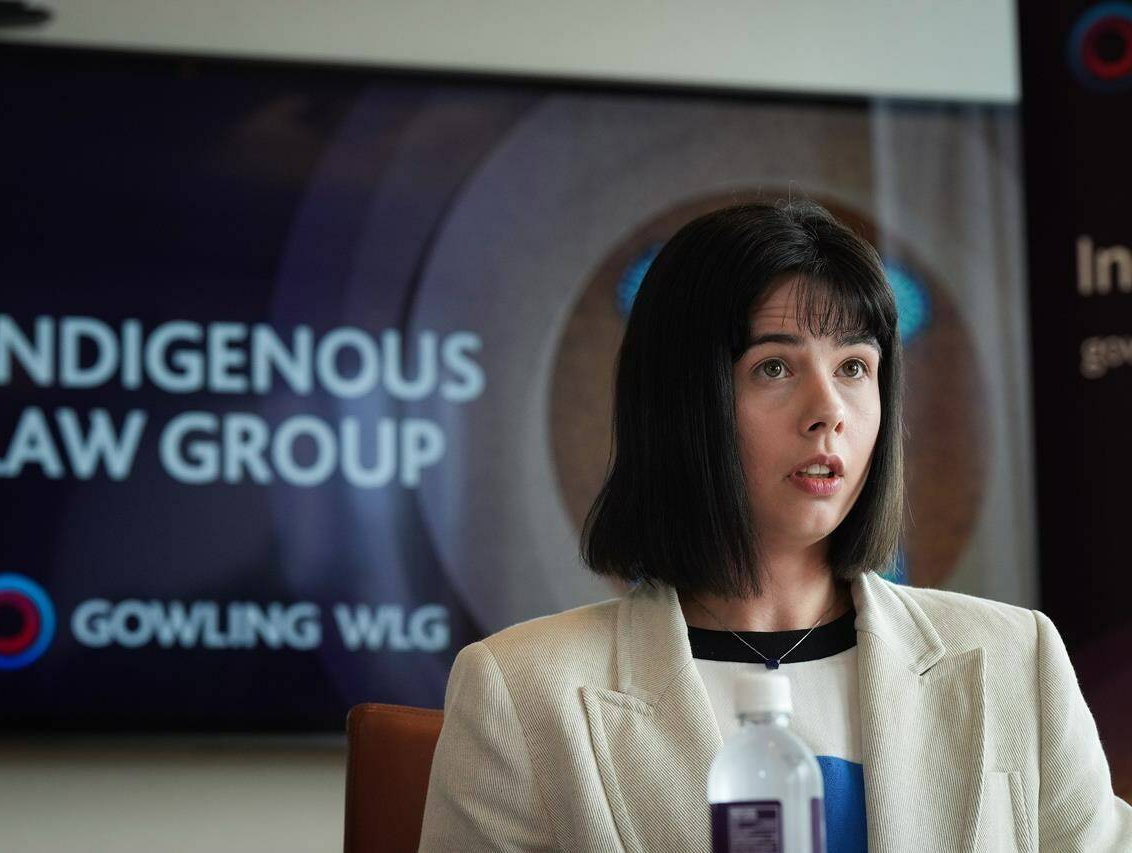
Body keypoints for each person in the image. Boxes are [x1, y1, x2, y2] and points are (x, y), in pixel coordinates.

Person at [416, 200, 1132, 852]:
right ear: (682, 404)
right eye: (775, 368)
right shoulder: (522, 690)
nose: (829, 410)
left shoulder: (1016, 656)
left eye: (855, 365)